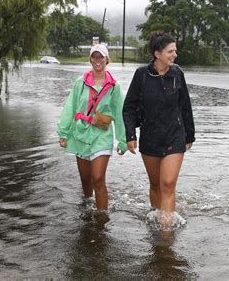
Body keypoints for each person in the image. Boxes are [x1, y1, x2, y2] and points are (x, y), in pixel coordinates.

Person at [123, 31, 195, 226]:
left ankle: (165, 232)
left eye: (175, 51)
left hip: (175, 136)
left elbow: (185, 105)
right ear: (158, 54)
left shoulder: (177, 73)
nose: (175, 55)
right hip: (150, 136)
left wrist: (190, 135)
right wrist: (130, 135)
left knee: (168, 184)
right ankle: (155, 217)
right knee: (156, 184)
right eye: (171, 51)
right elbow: (129, 107)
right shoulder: (142, 75)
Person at [57, 44, 126, 211]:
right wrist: (64, 133)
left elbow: (119, 114)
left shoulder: (114, 87)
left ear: (106, 59)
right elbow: (70, 107)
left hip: (102, 136)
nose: (97, 60)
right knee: (86, 179)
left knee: (98, 178)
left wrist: (123, 141)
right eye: (94, 57)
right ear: (90, 59)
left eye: (101, 57)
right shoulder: (80, 83)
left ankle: (102, 219)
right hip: (80, 134)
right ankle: (87, 206)